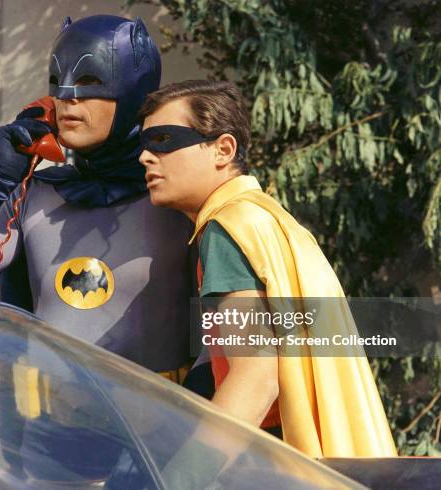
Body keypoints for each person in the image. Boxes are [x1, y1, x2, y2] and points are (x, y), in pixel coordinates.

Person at [0, 15, 207, 484]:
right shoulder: (35, 195)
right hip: (50, 442)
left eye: (89, 81)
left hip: (159, 446)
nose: (67, 97)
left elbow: (228, 338)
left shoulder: (177, 197)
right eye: (57, 82)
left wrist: (196, 448)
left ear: (132, 92)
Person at [138, 79, 397, 458]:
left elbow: (256, 378)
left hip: (275, 458)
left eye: (163, 140)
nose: (145, 157)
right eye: (143, 145)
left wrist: (186, 476)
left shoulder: (227, 227)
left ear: (223, 149)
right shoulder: (268, 220)